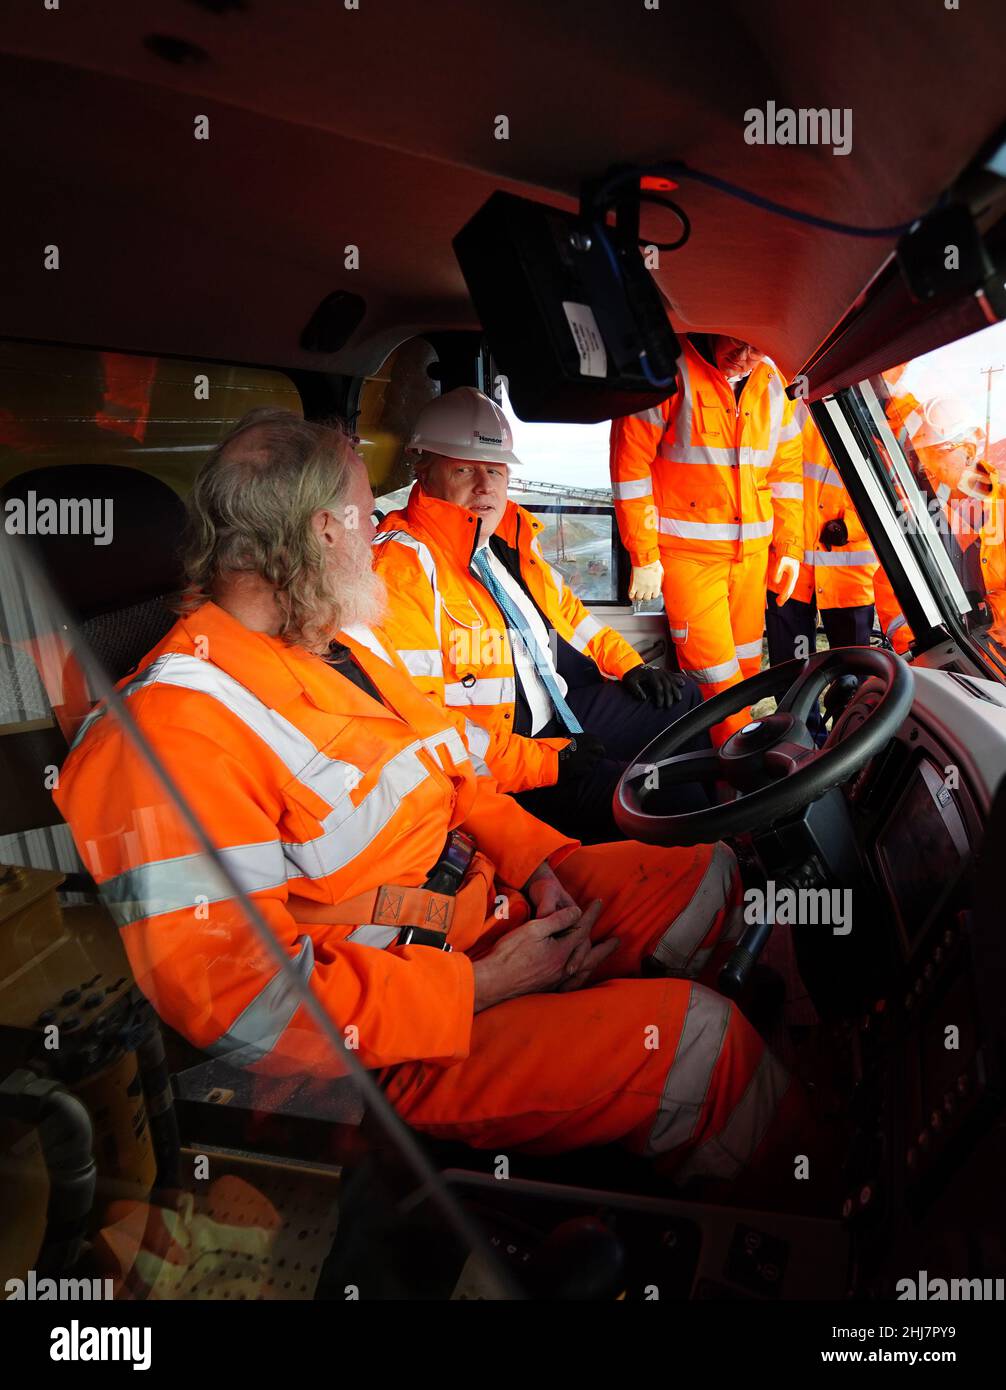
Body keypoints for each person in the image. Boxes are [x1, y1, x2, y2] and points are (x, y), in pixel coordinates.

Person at [54, 409, 803, 1185]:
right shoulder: (168, 737)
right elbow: (248, 1005)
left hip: (497, 914)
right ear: (325, 533)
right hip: (392, 1050)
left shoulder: (333, 644)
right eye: (364, 510)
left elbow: (448, 772)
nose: (381, 526)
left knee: (711, 879)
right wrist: (485, 985)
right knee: (702, 1049)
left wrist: (543, 870)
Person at [372, 387, 711, 843]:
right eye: (464, 468)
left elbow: (572, 617)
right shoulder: (403, 568)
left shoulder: (503, 541)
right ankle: (702, 857)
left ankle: (719, 822)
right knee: (667, 798)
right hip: (501, 768)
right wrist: (547, 762)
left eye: (494, 470)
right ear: (424, 469)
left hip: (556, 715)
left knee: (684, 702)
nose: (484, 485)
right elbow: (420, 722)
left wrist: (629, 666)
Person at [610, 335, 803, 744]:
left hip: (751, 560)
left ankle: (715, 765)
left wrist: (788, 547)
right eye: (737, 343)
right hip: (689, 559)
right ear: (712, 325)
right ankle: (737, 787)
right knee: (718, 681)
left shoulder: (772, 381)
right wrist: (644, 556)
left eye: (757, 347)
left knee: (748, 672)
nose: (745, 358)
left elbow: (785, 473)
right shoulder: (666, 367)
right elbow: (630, 467)